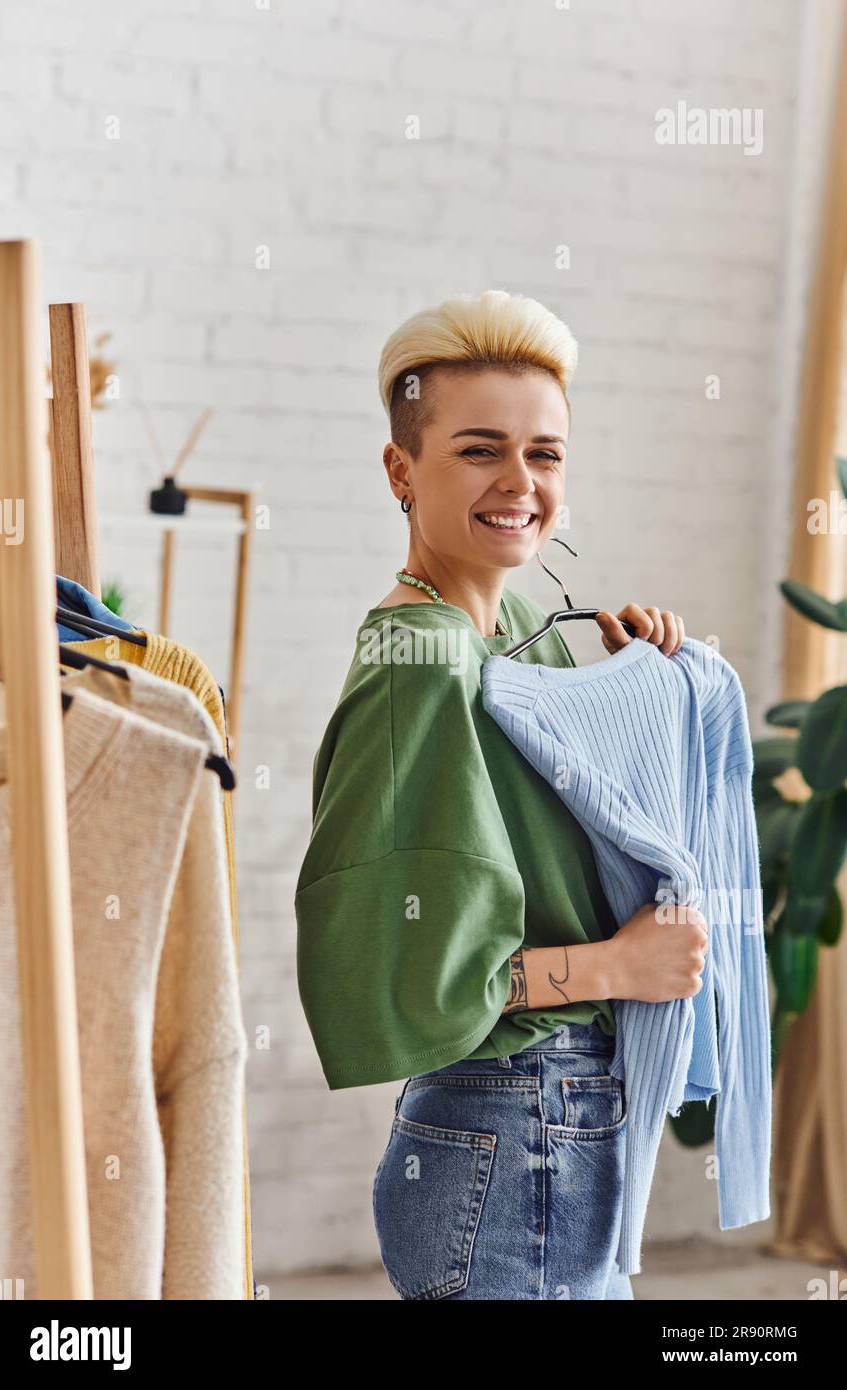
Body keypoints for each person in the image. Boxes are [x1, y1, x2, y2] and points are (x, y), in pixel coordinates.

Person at [294, 289, 709, 1300]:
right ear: (402, 468)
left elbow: (587, 828)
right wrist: (616, 964)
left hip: (543, 1119)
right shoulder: (420, 653)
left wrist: (633, 681)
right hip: (515, 1117)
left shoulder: (513, 619)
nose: (521, 481)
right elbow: (423, 977)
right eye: (481, 449)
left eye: (547, 453)